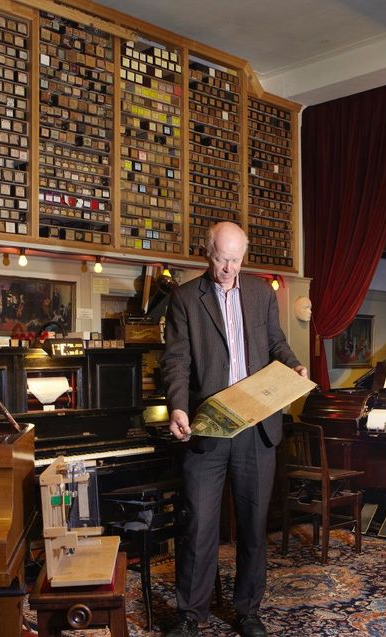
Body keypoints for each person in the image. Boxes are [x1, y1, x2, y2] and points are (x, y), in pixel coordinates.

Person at [160, 221, 308, 637]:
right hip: (208, 427)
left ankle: (248, 611)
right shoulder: (185, 298)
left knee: (253, 525)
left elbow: (275, 343)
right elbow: (176, 361)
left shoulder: (262, 293)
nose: (229, 268)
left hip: (257, 427)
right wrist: (177, 406)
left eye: (236, 258)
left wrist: (293, 363)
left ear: (245, 254)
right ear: (207, 253)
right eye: (222, 258)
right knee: (199, 525)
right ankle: (190, 615)